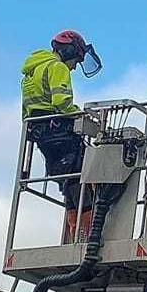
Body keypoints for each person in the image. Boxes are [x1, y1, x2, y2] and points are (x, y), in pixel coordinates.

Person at [21, 30, 100, 191]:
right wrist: (81, 115)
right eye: (76, 61)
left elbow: (26, 111)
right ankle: (88, 212)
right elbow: (61, 102)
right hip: (58, 131)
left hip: (40, 134)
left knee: (68, 181)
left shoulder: (32, 72)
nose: (75, 67)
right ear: (69, 51)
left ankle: (75, 211)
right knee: (87, 171)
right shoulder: (58, 68)